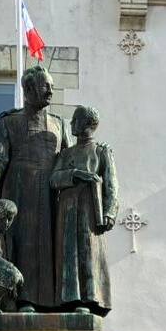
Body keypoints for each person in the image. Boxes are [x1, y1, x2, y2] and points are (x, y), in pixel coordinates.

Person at [0, 63, 70, 312]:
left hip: (48, 195)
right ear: (28, 88)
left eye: (52, 87)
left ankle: (41, 301)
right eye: (46, 86)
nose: (50, 92)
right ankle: (15, 298)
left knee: (45, 245)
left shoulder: (59, 124)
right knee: (17, 244)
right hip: (16, 193)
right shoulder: (8, 122)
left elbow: (67, 158)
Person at [49, 104, 117, 314]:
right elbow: (54, 179)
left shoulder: (101, 152)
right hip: (67, 210)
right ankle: (69, 299)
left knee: (89, 253)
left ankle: (90, 299)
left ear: (88, 124)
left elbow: (111, 185)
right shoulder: (66, 153)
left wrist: (109, 213)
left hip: (90, 211)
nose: (71, 124)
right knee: (68, 253)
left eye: (75, 120)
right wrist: (76, 174)